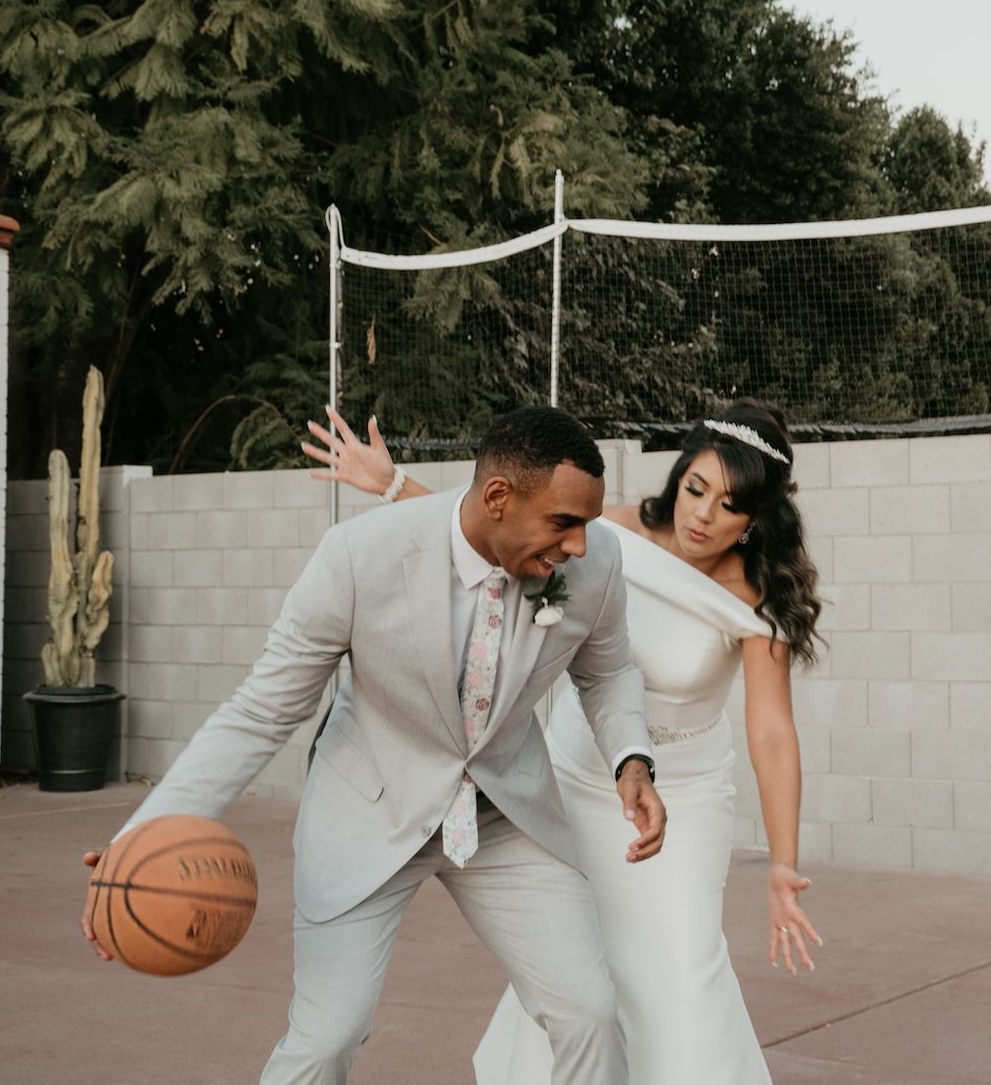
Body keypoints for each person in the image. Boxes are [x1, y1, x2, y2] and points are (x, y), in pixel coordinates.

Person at [83, 407, 666, 1085]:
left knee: (590, 1012)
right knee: (326, 1039)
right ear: (499, 497)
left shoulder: (593, 566)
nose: (578, 545)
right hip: (369, 814)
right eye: (564, 523)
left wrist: (632, 758)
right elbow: (261, 711)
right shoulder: (359, 557)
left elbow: (609, 668)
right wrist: (140, 834)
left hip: (505, 814)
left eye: (587, 524)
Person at [302, 398, 823, 1085]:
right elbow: (512, 533)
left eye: (727, 505)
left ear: (754, 520)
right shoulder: (616, 531)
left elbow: (771, 731)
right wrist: (393, 484)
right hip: (578, 777)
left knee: (684, 965)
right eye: (695, 487)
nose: (702, 514)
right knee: (580, 970)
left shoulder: (757, 596)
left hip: (687, 797)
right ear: (678, 478)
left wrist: (784, 864)